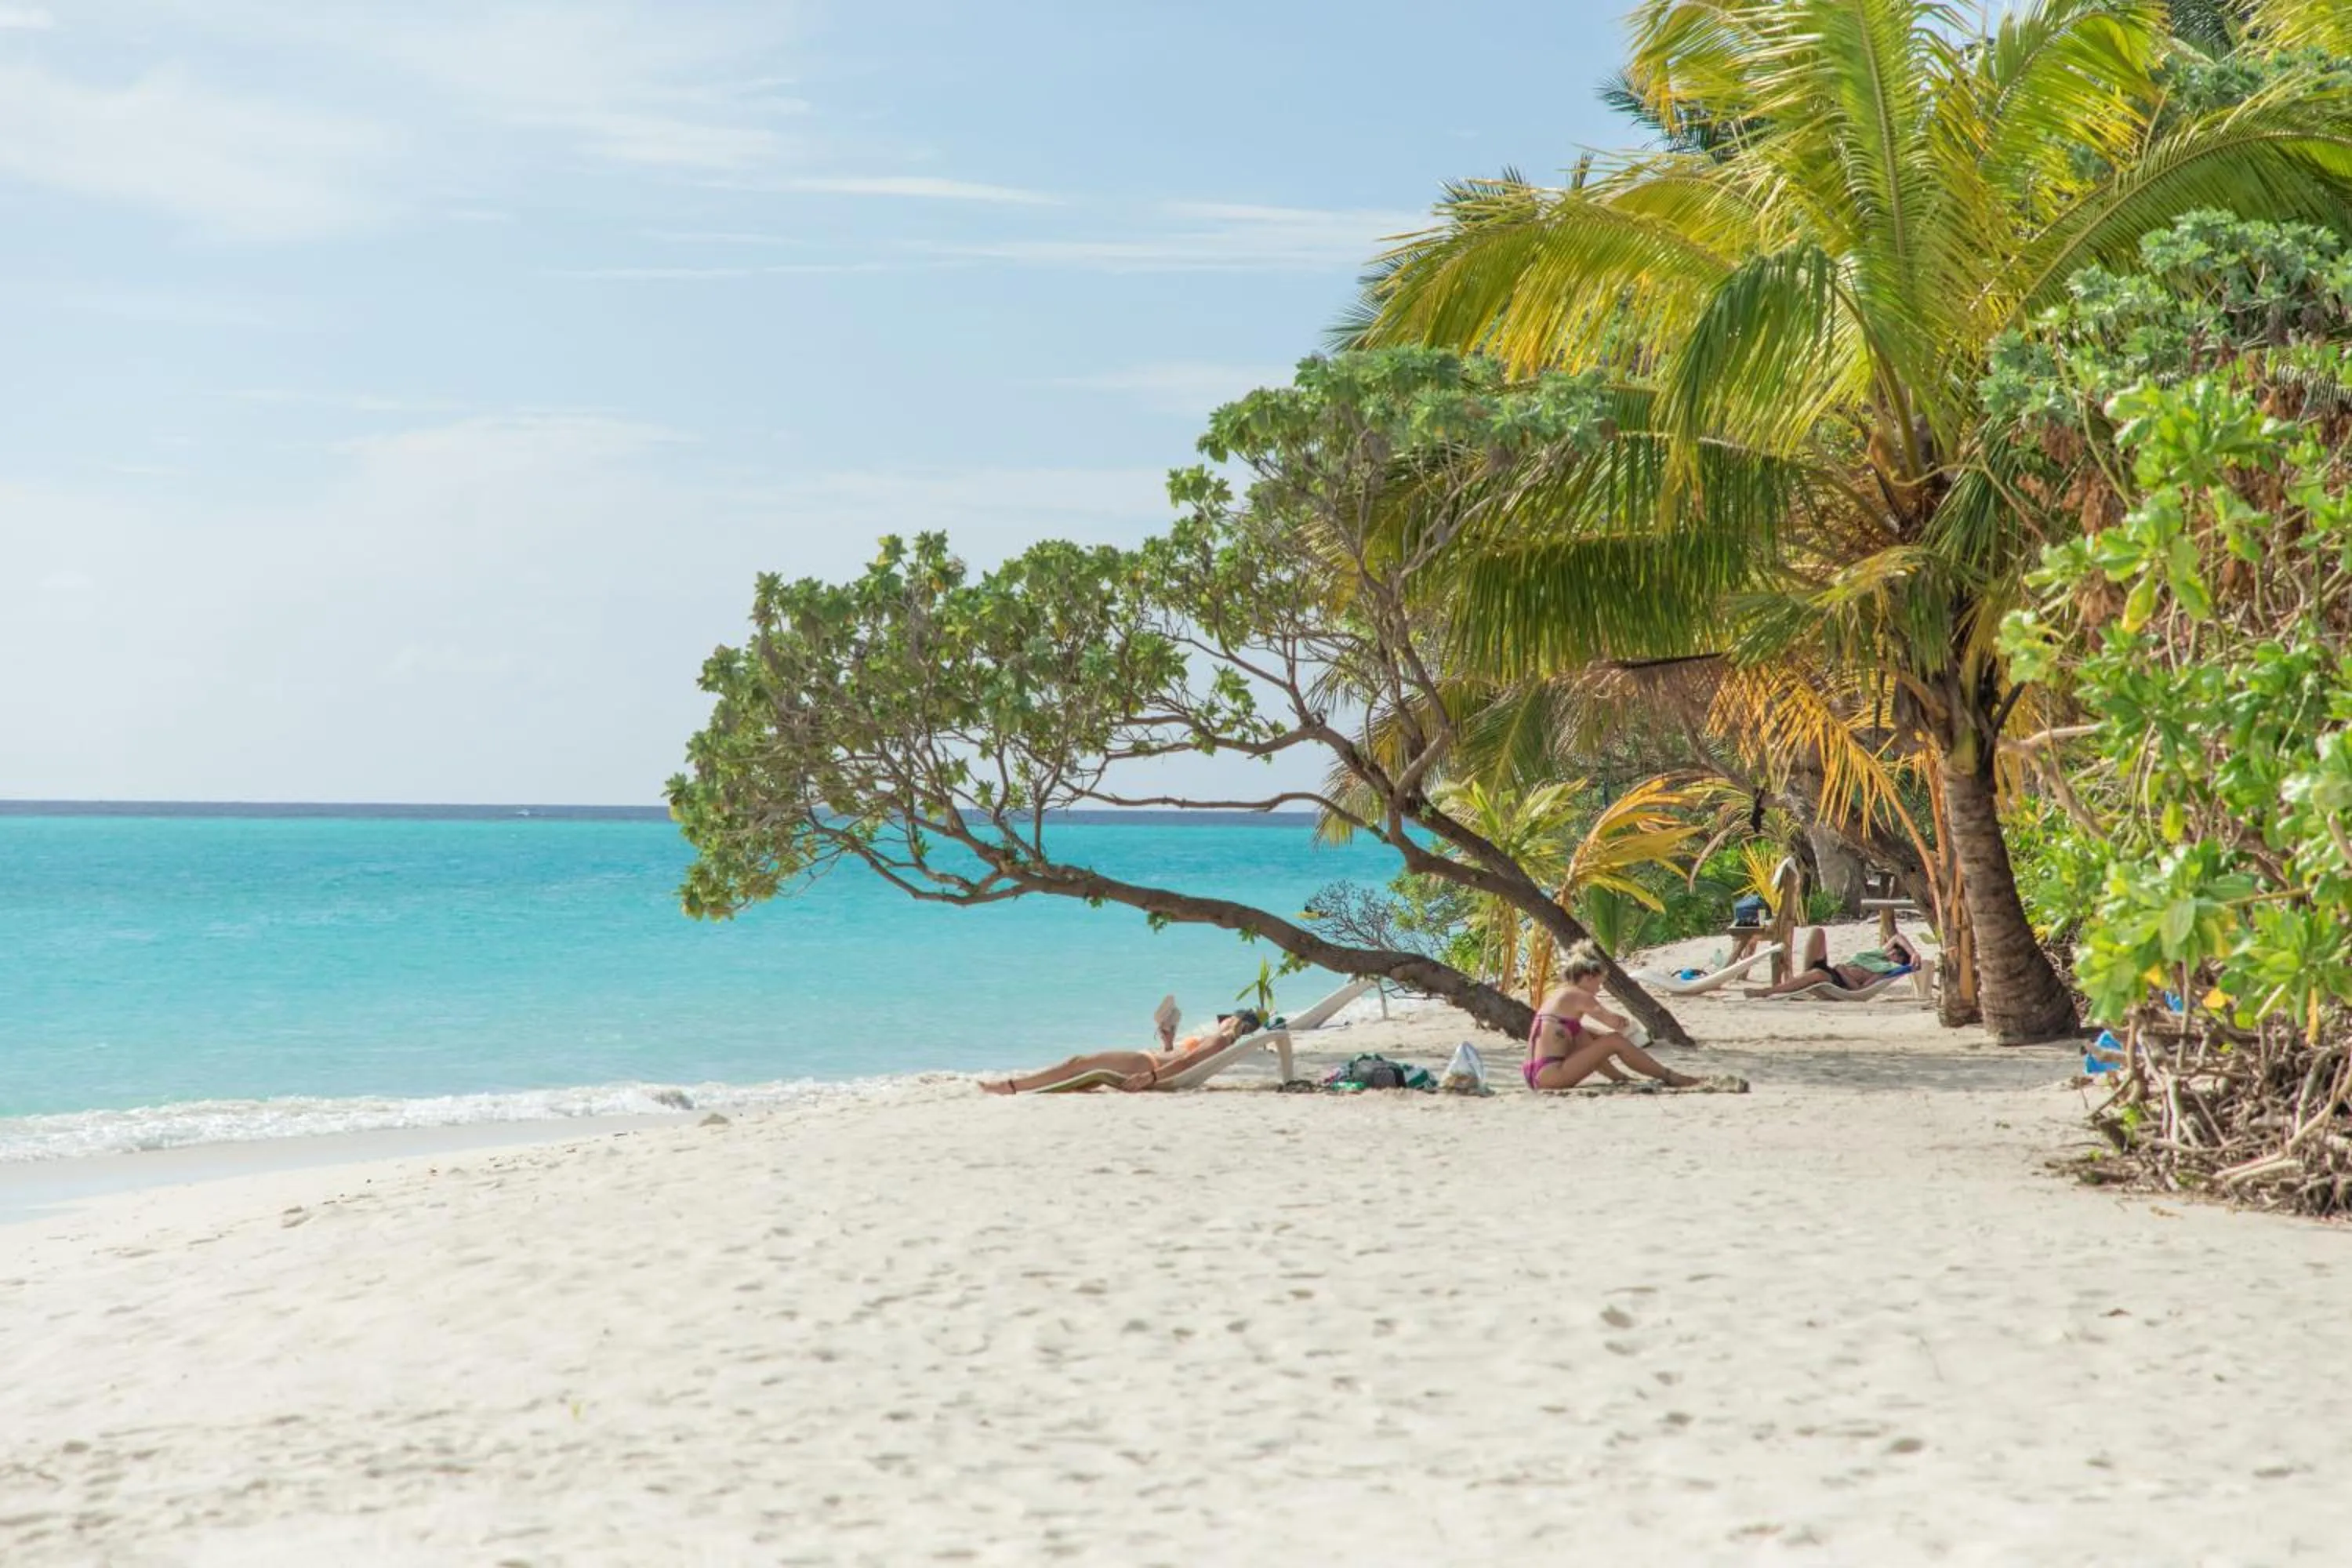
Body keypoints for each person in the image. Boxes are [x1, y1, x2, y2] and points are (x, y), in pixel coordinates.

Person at [1525, 942, 1701, 1091]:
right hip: (1552, 1075)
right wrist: (1625, 1025)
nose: (1599, 989)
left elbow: (1588, 1045)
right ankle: (1668, 1075)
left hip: (1536, 1074)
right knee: (1615, 1040)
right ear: (1588, 978)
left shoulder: (1558, 996)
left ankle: (1619, 1078)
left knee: (1588, 1035)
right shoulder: (1579, 995)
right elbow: (1613, 1022)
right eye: (1599, 983)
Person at [982, 1010, 1262, 1095]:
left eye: (1226, 1018)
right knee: (1082, 1078)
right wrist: (1169, 1042)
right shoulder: (1220, 1040)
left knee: (1078, 1063)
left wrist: (1151, 1077)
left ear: (1233, 1021)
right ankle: (1022, 1086)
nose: (1221, 1021)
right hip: (1149, 1062)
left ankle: (1011, 1086)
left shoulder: (1220, 1039)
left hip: (1144, 1064)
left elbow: (1188, 1062)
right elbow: (1182, 1058)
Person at [1747, 927, 1922, 996]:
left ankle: (1767, 991)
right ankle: (1799, 983)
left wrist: (1843, 973)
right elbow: (1898, 937)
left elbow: (1859, 990)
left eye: (1896, 954)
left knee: (1816, 974)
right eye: (1893, 950)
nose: (1891, 952)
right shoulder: (1878, 955)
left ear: (1899, 961)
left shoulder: (1882, 971)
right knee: (1818, 932)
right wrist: (1913, 953)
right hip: (1831, 970)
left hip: (1837, 981)